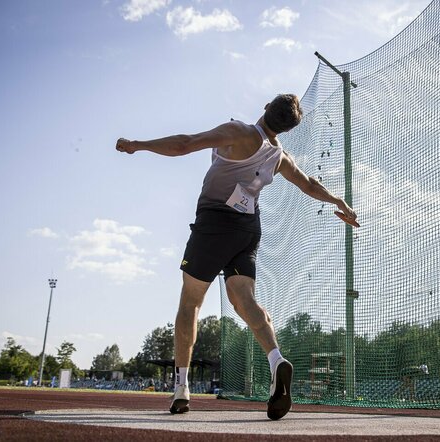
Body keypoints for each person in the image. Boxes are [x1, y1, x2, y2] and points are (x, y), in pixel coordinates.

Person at [116, 94, 357, 420]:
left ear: (265, 107)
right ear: (285, 128)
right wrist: (339, 202)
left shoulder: (240, 132)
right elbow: (308, 184)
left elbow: (185, 143)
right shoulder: (279, 156)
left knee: (190, 303)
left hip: (215, 223)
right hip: (247, 230)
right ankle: (276, 359)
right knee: (244, 299)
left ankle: (181, 389)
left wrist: (137, 144)